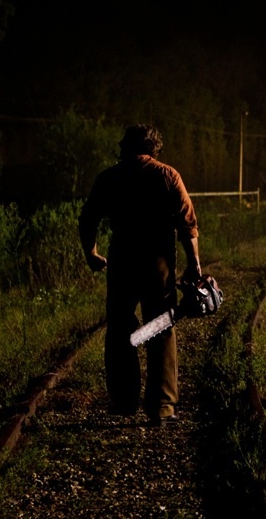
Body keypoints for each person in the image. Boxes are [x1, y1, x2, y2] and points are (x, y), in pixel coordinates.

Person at [78, 124, 201, 426]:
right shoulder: (168, 175)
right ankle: (161, 406)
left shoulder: (109, 178)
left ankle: (123, 401)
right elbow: (188, 223)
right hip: (158, 265)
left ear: (125, 146)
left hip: (122, 263)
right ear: (154, 147)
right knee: (160, 328)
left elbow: (88, 218)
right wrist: (194, 264)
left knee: (121, 329)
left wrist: (91, 253)